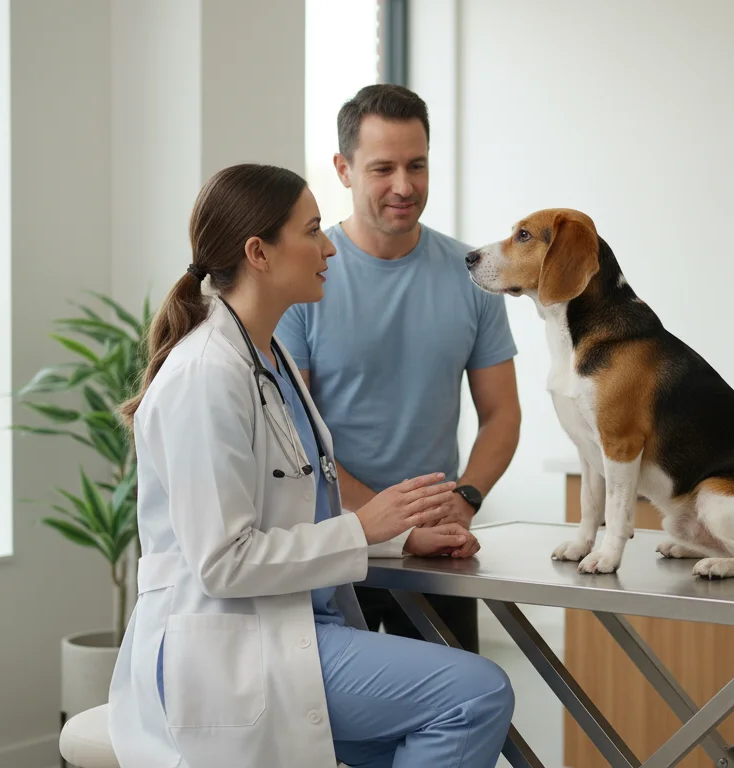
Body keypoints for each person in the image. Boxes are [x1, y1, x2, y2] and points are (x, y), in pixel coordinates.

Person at [106, 163, 515, 768]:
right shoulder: (206, 377)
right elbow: (224, 564)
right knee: (476, 695)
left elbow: (297, 512)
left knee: (432, 728)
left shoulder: (266, 359)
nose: (329, 248)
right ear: (259, 253)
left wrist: (402, 536)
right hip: (233, 649)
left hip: (291, 626)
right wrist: (368, 526)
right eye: (312, 231)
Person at [277, 84, 521, 654]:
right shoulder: (304, 282)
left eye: (417, 165)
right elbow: (296, 439)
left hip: (440, 553)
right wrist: (392, 524)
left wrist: (466, 500)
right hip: (336, 548)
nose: (404, 187)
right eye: (382, 168)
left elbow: (503, 414)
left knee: (457, 718)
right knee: (334, 738)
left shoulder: (474, 275)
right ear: (343, 169)